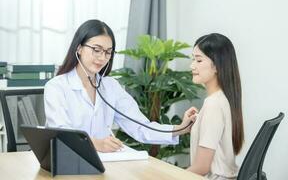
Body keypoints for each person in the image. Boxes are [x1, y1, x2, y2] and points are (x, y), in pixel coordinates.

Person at [44, 19, 196, 152]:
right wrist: (96, 144)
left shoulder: (111, 87)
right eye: (96, 50)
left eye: (108, 52)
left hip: (101, 165)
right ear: (79, 48)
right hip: (65, 163)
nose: (102, 58)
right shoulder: (56, 87)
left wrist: (180, 128)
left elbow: (140, 126)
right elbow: (61, 133)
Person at [187, 33, 244, 179]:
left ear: (217, 66)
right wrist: (199, 123)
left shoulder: (213, 105)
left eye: (198, 60)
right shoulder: (223, 99)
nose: (192, 65)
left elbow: (201, 167)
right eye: (193, 59)